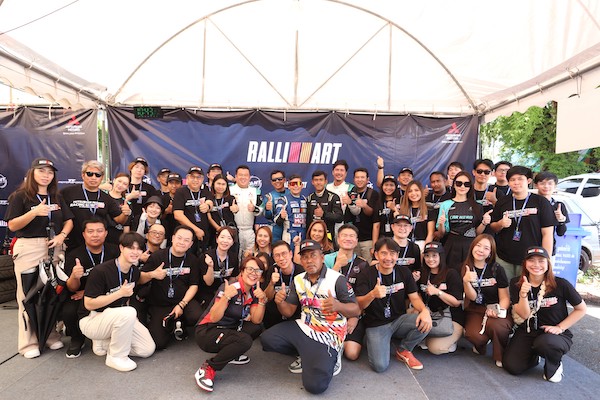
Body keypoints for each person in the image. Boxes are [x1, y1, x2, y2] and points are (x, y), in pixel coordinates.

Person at [261, 239, 360, 394]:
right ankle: (306, 354)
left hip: (329, 334)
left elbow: (356, 310)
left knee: (315, 386)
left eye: (313, 255)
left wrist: (338, 306)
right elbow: (288, 312)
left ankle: (333, 356)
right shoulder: (298, 280)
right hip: (305, 326)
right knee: (268, 339)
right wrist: (280, 302)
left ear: (322, 257)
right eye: (305, 257)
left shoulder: (337, 279)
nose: (309, 260)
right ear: (301, 260)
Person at [5, 158, 74, 359]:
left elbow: (69, 220)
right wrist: (34, 212)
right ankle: (29, 343)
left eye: (50, 172)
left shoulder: (56, 197)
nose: (46, 175)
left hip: (54, 246)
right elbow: (12, 225)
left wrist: (62, 235)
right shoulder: (20, 196)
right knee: (28, 295)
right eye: (41, 171)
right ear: (32, 173)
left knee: (50, 293)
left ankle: (49, 335)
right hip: (29, 247)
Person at [503, 246, 586, 383]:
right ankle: (533, 356)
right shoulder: (516, 283)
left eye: (541, 261)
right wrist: (523, 295)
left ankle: (554, 364)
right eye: (531, 260)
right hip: (528, 331)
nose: (536, 265)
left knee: (545, 343)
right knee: (512, 366)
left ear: (548, 263)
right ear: (525, 263)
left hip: (554, 334)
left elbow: (581, 309)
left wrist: (560, 327)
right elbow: (524, 315)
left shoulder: (560, 284)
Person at [79, 232, 155, 372]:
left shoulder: (134, 271)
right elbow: (88, 304)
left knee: (146, 349)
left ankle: (105, 343)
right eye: (131, 248)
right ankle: (116, 357)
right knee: (129, 312)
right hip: (92, 318)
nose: (135, 252)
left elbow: (126, 300)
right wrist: (119, 293)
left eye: (139, 249)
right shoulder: (101, 271)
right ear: (121, 248)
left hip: (117, 317)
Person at [354, 237, 431, 372]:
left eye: (392, 253)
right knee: (380, 366)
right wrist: (372, 294)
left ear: (397, 255)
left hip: (399, 319)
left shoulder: (404, 272)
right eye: (383, 253)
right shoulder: (366, 274)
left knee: (426, 322)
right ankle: (371, 340)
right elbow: (359, 304)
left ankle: (404, 349)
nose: (388, 258)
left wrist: (424, 311)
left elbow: (414, 298)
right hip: (376, 324)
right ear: (376, 254)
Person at [194, 256, 268, 393]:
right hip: (207, 331)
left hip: (228, 328)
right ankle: (209, 367)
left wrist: (262, 300)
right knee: (244, 340)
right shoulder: (230, 287)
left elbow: (257, 320)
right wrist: (226, 297)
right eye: (250, 269)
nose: (254, 273)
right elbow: (214, 317)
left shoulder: (254, 291)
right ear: (242, 271)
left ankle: (230, 353)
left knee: (256, 328)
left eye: (258, 271)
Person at [139, 225, 203, 349]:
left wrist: (182, 304)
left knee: (196, 316)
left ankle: (180, 321)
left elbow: (194, 285)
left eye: (186, 240)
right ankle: (172, 324)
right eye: (179, 238)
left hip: (183, 301)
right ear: (172, 238)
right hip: (160, 304)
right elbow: (139, 279)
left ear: (191, 244)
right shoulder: (157, 256)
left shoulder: (193, 260)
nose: (182, 242)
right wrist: (152, 274)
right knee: (158, 343)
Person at [63, 217, 119, 358]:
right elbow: (71, 288)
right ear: (83, 234)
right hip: (80, 296)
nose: (95, 235)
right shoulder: (74, 255)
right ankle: (77, 338)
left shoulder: (115, 251)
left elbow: (120, 278)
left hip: (109, 293)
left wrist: (89, 292)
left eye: (99, 231)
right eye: (90, 231)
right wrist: (74, 277)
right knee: (68, 310)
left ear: (106, 233)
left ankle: (107, 335)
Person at [490, 166, 555, 280]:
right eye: (512, 180)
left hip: (532, 259)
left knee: (527, 289)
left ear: (528, 181)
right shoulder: (502, 202)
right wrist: (500, 223)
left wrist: (545, 259)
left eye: (520, 179)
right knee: (505, 287)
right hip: (504, 257)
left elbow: (547, 234)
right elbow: (493, 227)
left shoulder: (541, 202)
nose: (516, 182)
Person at [461, 234, 512, 368]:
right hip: (475, 309)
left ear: (490, 253)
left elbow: (505, 297)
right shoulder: (465, 268)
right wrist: (466, 281)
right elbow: (473, 297)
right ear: (472, 247)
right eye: (478, 245)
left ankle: (500, 355)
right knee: (474, 336)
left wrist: (499, 311)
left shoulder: (496, 269)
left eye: (486, 248)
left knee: (498, 327)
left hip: (495, 307)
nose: (480, 250)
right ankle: (482, 343)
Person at [323, 224, 369, 360]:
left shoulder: (362, 264)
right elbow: (322, 288)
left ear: (356, 241)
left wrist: (355, 317)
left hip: (352, 311)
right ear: (338, 239)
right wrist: (337, 265)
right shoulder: (327, 259)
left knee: (351, 353)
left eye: (351, 236)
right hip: (329, 310)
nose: (348, 238)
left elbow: (362, 296)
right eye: (344, 235)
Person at [61, 160, 127, 249]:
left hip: (97, 244)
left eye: (97, 175)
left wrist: (125, 213)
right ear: (83, 175)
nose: (93, 177)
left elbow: (119, 220)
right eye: (89, 174)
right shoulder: (67, 192)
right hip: (72, 244)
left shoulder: (107, 198)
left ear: (102, 177)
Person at [435, 171, 490, 272]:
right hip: (452, 244)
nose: (462, 186)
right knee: (451, 274)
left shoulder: (477, 206)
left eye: (466, 184)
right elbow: (441, 234)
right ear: (454, 185)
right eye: (459, 183)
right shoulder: (445, 205)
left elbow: (477, 233)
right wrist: (442, 224)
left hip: (470, 244)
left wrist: (484, 223)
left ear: (470, 186)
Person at [416, 242, 463, 354]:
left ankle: (452, 339)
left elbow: (457, 302)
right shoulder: (422, 273)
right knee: (409, 316)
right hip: (431, 314)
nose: (430, 259)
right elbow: (417, 296)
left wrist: (438, 292)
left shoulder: (451, 273)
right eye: (427, 256)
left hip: (451, 317)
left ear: (441, 256)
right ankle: (428, 337)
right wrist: (413, 281)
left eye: (434, 255)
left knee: (435, 348)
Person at [173, 166, 215, 254]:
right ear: (187, 178)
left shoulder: (206, 191)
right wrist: (196, 230)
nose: (195, 180)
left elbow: (210, 202)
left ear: (202, 179)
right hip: (186, 236)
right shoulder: (180, 192)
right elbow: (178, 215)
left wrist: (207, 206)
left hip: (203, 235)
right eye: (192, 177)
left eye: (198, 177)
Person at [263, 240, 304, 329]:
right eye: (277, 255)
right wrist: (271, 283)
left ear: (291, 254)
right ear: (274, 258)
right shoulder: (272, 270)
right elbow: (266, 298)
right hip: (273, 318)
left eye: (284, 254)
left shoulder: (301, 272)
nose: (281, 258)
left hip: (295, 318)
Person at [344, 168, 380, 263]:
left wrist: (364, 205)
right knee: (353, 267)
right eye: (357, 177)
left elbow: (372, 214)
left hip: (368, 240)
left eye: (362, 177)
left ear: (368, 179)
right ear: (354, 179)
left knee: (368, 267)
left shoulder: (373, 194)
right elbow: (347, 217)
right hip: (353, 239)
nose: (359, 180)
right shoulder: (351, 193)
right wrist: (349, 203)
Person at [197, 226, 239, 307]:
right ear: (217, 239)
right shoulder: (206, 256)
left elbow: (233, 278)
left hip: (225, 292)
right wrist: (210, 266)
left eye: (229, 238)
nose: (225, 241)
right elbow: (208, 283)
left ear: (232, 242)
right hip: (208, 293)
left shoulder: (233, 257)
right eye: (222, 237)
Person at [533, 171, 569, 259]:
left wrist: (561, 220)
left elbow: (561, 233)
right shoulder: (529, 203)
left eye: (550, 183)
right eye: (542, 183)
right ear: (536, 185)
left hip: (548, 250)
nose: (546, 186)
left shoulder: (558, 205)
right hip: (529, 247)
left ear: (555, 186)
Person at [230, 165, 263, 257]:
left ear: (249, 177)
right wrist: (230, 209)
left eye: (246, 175)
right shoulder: (229, 190)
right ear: (236, 176)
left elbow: (261, 209)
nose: (243, 177)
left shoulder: (255, 191)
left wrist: (254, 209)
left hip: (249, 230)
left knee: (249, 257)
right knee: (234, 256)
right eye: (241, 175)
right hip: (234, 230)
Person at [306, 170, 343, 244]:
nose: (318, 182)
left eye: (321, 180)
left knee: (328, 251)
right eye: (316, 180)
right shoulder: (309, 198)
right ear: (312, 182)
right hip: (313, 236)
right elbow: (307, 220)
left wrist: (324, 214)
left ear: (325, 181)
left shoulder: (333, 197)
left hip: (328, 236)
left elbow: (339, 218)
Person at [326, 159, 354, 241]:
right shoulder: (326, 187)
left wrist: (350, 203)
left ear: (346, 173)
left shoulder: (351, 188)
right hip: (328, 227)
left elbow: (356, 212)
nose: (339, 172)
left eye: (342, 170)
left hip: (344, 227)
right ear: (333, 172)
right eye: (337, 170)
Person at [277, 174, 307, 251]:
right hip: (289, 235)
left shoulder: (305, 199)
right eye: (293, 184)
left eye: (298, 183)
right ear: (289, 186)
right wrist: (281, 217)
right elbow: (277, 220)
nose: (296, 186)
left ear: (302, 185)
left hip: (303, 234)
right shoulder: (283, 200)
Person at [389, 214, 421, 280]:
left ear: (411, 228)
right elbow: (374, 264)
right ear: (392, 227)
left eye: (405, 225)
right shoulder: (385, 245)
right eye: (399, 225)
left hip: (408, 283)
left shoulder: (415, 248)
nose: (402, 228)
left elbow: (417, 268)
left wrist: (416, 274)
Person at [399, 180, 428, 251]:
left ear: (421, 191)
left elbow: (430, 233)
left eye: (416, 190)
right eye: (410, 191)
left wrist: (425, 249)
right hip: (406, 243)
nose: (413, 193)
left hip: (423, 244)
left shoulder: (428, 209)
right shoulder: (403, 210)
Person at [425, 171, 452, 243]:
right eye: (433, 182)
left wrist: (441, 232)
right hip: (428, 236)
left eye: (438, 181)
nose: (435, 184)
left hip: (447, 238)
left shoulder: (451, 198)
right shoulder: (426, 197)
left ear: (445, 181)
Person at [106, 172, 132, 244]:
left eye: (125, 184)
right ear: (114, 180)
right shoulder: (102, 196)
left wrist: (125, 243)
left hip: (117, 239)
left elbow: (126, 226)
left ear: (127, 187)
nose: (120, 185)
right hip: (101, 235)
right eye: (119, 181)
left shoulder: (127, 203)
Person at [263, 170, 289, 242]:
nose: (277, 181)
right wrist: (268, 209)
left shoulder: (291, 193)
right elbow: (268, 217)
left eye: (279, 179)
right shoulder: (269, 196)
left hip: (289, 230)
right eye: (274, 180)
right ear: (271, 182)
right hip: (275, 231)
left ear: (284, 180)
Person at [377, 174, 402, 239]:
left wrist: (394, 209)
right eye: (386, 185)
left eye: (391, 185)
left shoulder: (401, 200)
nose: (388, 188)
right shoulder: (378, 201)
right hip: (382, 237)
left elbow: (403, 221)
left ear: (396, 187)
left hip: (397, 237)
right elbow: (376, 224)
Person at [161, 172, 183, 245]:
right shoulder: (162, 199)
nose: (174, 186)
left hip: (181, 232)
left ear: (181, 185)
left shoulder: (185, 198)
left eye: (177, 183)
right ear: (167, 184)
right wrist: (166, 212)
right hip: (165, 232)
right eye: (171, 183)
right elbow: (157, 219)